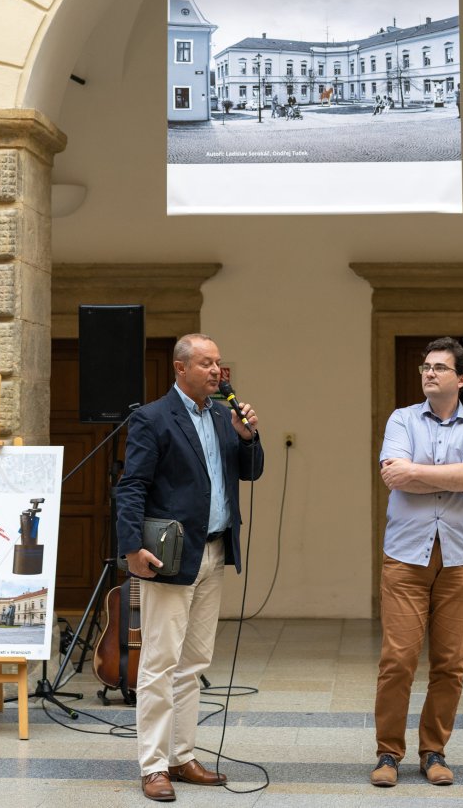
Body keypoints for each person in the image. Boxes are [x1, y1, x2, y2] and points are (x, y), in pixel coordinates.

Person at [116, 333, 265, 802]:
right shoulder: (152, 418)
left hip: (215, 551)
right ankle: (153, 765)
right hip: (171, 556)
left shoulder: (224, 416)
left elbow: (250, 471)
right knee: (160, 663)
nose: (217, 372)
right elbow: (132, 487)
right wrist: (132, 548)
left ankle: (182, 756)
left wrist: (249, 437)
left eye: (219, 364)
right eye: (206, 364)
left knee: (194, 661)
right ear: (180, 369)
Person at [370, 337, 463, 790]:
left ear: (460, 379)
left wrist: (419, 473)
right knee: (398, 659)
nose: (428, 373)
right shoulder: (401, 419)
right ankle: (388, 752)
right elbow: (394, 475)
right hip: (405, 555)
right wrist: (460, 478)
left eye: (439, 368)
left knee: (450, 662)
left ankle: (433, 751)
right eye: (425, 366)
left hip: (461, 558)